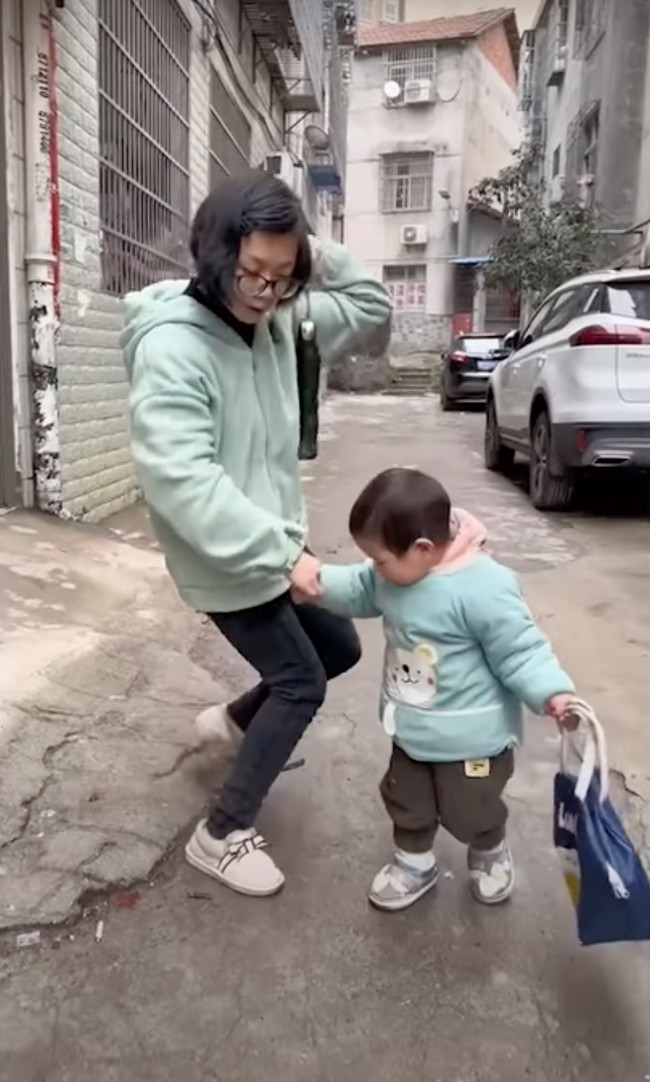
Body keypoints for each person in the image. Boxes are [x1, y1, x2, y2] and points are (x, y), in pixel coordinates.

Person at [121, 172, 391, 898]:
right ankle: (222, 833)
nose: (262, 292)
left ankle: (235, 723)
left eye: (280, 277)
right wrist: (281, 556)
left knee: (336, 647)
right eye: (249, 273)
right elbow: (183, 483)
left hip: (273, 549)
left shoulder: (280, 324)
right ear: (212, 255)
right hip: (226, 557)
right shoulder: (173, 349)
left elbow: (370, 305)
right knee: (301, 682)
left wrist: (299, 245)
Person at [315, 467, 577, 912]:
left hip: (473, 741)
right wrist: (314, 582)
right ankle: (414, 863)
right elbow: (358, 588)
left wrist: (552, 692)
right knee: (406, 800)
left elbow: (520, 650)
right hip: (412, 729)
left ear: (421, 549)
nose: (374, 569)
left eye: (380, 559)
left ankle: (490, 851)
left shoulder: (483, 587)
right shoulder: (390, 576)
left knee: (471, 808)